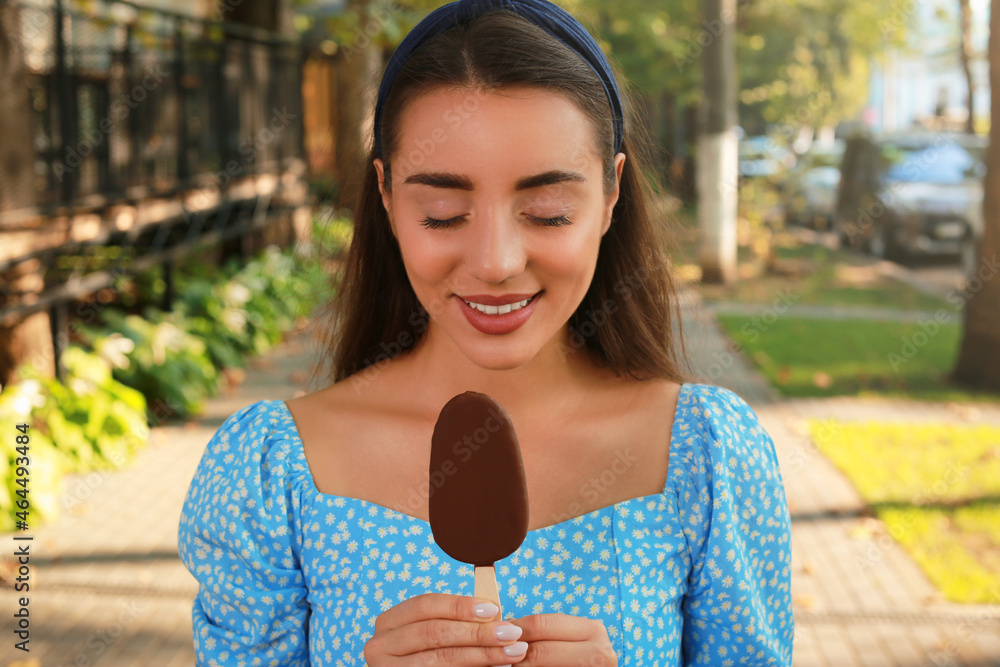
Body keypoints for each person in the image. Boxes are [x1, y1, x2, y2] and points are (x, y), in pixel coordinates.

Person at [177, 0, 795, 664]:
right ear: (385, 194)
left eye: (548, 211)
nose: (496, 261)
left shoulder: (708, 457)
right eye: (443, 212)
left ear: (612, 192)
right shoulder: (271, 473)